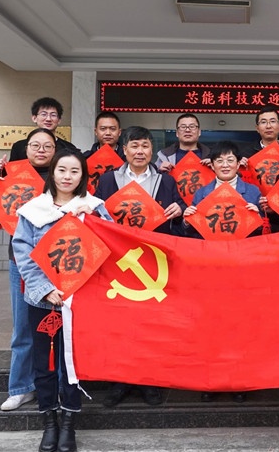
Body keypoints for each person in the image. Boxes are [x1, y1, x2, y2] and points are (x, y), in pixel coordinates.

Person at [12, 149, 112, 452]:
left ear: (83, 176)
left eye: (74, 171)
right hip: (43, 301)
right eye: (62, 170)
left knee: (73, 363)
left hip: (80, 301)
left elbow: (110, 245)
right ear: (52, 172)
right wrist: (44, 289)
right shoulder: (33, 210)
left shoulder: (94, 207)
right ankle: (49, 423)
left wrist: (92, 217)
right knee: (45, 363)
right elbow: (23, 254)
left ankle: (69, 423)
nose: (67, 177)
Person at [94, 126, 186, 407]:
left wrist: (179, 211)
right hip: (118, 263)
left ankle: (149, 381)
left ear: (151, 150)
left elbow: (180, 209)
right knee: (119, 323)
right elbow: (97, 215)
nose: (139, 151)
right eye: (134, 146)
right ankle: (119, 381)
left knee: (150, 323)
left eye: (145, 146)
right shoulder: (109, 179)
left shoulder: (165, 181)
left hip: (153, 263)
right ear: (124, 150)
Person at [0, 128, 58, 411]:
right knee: (23, 326)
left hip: (58, 263)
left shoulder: (63, 177)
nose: (41, 150)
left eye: (47, 146)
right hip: (22, 262)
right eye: (35, 145)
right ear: (26, 150)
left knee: (58, 329)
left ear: (56, 150)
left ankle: (58, 387)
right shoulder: (11, 179)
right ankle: (21, 388)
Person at [183, 140, 262, 403]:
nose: (225, 165)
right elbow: (194, 236)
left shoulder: (252, 192)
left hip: (242, 270)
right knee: (211, 326)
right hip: (212, 270)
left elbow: (262, 235)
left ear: (239, 163)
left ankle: (239, 380)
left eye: (230, 160)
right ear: (212, 165)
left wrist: (258, 216)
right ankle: (212, 381)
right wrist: (189, 220)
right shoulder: (202, 193)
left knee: (240, 326)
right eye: (220, 160)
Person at [0, 97, 78, 172]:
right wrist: (0, 169)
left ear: (59, 120)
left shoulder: (68, 148)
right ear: (34, 118)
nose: (48, 119)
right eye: (44, 114)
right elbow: (12, 174)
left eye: (53, 115)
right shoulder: (19, 146)